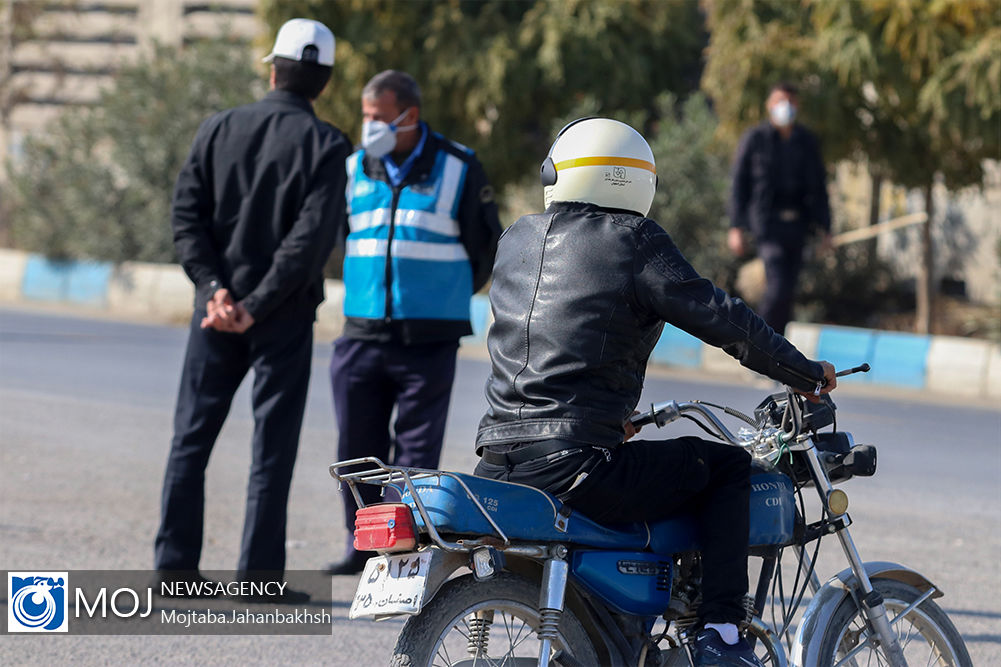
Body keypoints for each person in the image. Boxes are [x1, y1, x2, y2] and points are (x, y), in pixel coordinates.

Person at [475, 117, 836, 666]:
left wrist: (606, 416)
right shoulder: (632, 240)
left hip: (498, 458)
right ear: (631, 178)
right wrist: (803, 373)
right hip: (576, 463)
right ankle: (722, 633)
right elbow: (721, 318)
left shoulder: (516, 238)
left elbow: (553, 344)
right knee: (726, 468)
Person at [154, 18, 350, 600]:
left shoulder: (218, 127)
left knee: (191, 437)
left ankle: (174, 571)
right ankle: (258, 582)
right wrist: (258, 305)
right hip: (281, 317)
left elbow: (186, 218)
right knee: (273, 447)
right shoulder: (328, 145)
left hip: (214, 313)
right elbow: (309, 243)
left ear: (272, 70)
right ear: (324, 82)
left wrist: (216, 290)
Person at [326, 70, 502, 576]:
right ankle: (361, 545)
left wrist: (445, 294)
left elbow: (486, 247)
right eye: (366, 117)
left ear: (410, 116)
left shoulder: (459, 167)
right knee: (356, 451)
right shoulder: (354, 167)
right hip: (361, 331)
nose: (369, 127)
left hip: (430, 336)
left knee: (414, 455)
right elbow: (339, 236)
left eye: (378, 118)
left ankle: (401, 554)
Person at [728, 82, 832, 335]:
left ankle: (777, 354)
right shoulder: (755, 139)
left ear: (797, 105)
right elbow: (738, 183)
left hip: (797, 226)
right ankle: (759, 345)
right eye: (779, 101)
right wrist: (736, 227)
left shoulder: (807, 142)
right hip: (767, 227)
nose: (785, 107)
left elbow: (819, 188)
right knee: (777, 286)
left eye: (790, 101)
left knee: (787, 293)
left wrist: (826, 229)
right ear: (769, 105)